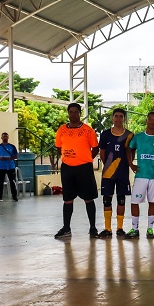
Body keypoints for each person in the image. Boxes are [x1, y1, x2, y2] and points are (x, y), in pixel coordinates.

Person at [54, 102, 100, 239]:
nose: (73, 114)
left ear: (80, 113)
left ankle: (92, 228)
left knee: (88, 198)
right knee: (67, 199)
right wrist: (67, 157)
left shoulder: (88, 130)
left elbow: (95, 148)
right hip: (67, 168)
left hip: (84, 168)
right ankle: (66, 228)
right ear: (68, 113)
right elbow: (58, 147)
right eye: (71, 112)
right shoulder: (61, 130)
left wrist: (86, 159)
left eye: (76, 112)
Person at [125, 111, 154, 239]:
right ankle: (135, 229)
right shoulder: (138, 137)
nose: (152, 121)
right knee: (134, 202)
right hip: (141, 175)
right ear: (146, 120)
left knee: (152, 202)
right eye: (150, 119)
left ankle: (150, 229)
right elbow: (129, 149)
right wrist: (131, 164)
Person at [97, 108, 133, 237]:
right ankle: (107, 229)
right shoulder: (105, 134)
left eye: (121, 116)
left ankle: (119, 228)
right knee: (107, 199)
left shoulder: (129, 135)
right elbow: (102, 152)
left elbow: (131, 153)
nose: (118, 119)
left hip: (122, 172)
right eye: (116, 116)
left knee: (121, 200)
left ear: (124, 119)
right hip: (108, 172)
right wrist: (108, 165)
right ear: (112, 118)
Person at [0, 132, 18, 202]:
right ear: (1, 138)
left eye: (6, 136)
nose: (5, 138)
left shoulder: (12, 146)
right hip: (1, 166)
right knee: (0, 182)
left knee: (12, 181)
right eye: (3, 136)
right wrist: (0, 158)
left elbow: (16, 156)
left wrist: (10, 158)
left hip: (10, 166)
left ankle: (14, 196)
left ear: (8, 137)